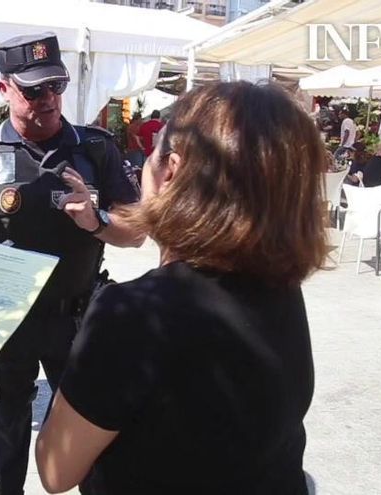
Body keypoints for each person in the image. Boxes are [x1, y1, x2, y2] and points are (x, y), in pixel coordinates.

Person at [35, 81, 328, 494]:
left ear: (171, 170)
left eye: (152, 152)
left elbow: (54, 470)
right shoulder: (280, 288)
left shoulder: (136, 312)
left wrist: (80, 350)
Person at [0, 33, 144, 495]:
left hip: (77, 318)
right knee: (8, 425)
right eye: (33, 90)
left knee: (88, 430)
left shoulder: (96, 149)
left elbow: (136, 232)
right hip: (6, 324)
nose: (47, 100)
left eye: (55, 86)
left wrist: (96, 220)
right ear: (4, 89)